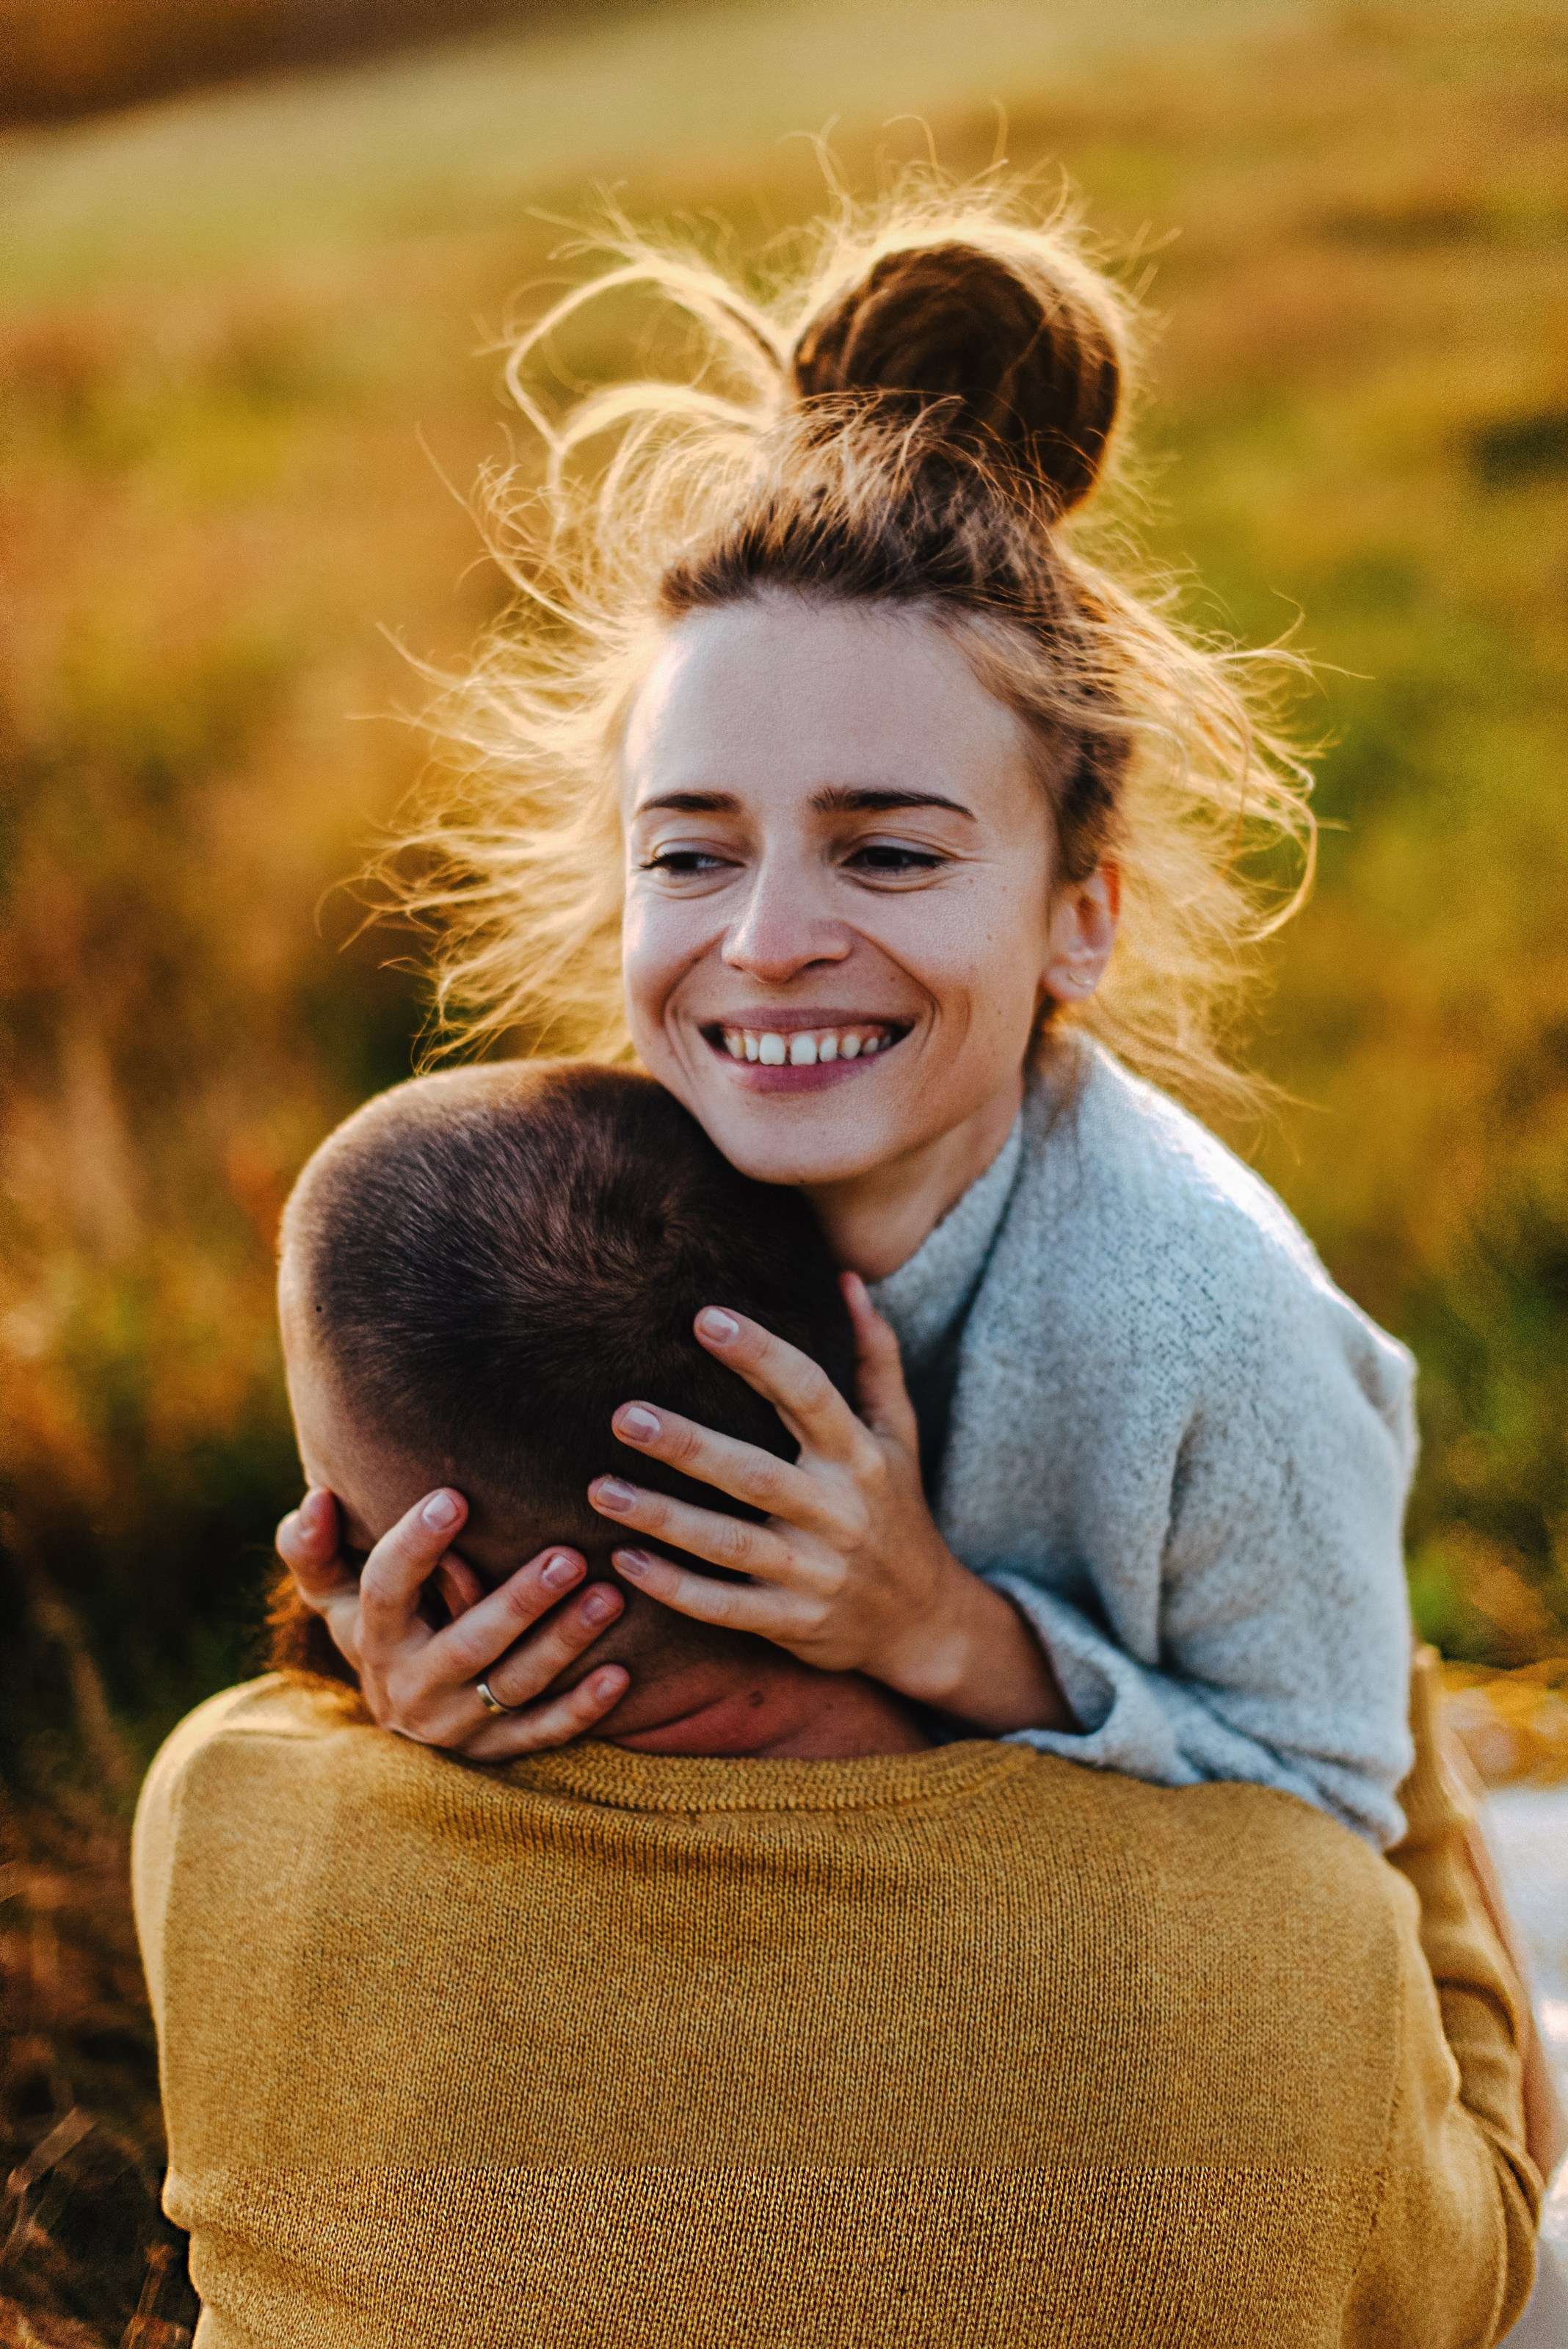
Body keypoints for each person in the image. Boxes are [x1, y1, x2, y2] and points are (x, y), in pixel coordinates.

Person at [280, 189, 1418, 1849]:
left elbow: (1340, 1818)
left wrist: (937, 1629)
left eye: (887, 850)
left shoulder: (1208, 1329)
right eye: (695, 850)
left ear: (1075, 920)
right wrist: (386, 1660)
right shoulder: (595, 1194)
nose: (771, 941)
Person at [136, 1061, 1540, 2348]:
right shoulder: (1283, 1931)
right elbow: (1493, 2234)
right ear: (855, 1390)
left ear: (399, 1558)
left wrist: (377, 1690)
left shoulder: (231, 1815)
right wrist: (1353, 1649)